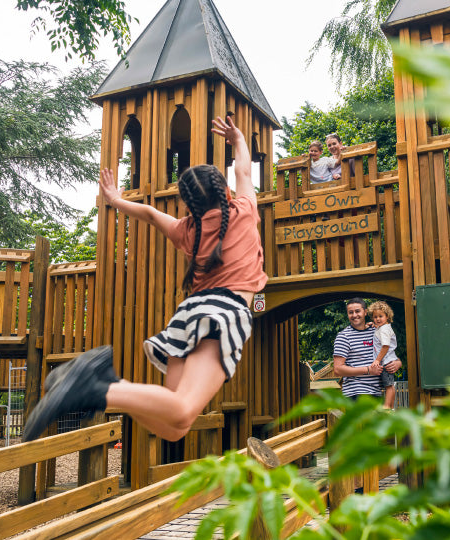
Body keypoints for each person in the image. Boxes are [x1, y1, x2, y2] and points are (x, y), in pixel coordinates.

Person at [23, 115, 267, 443]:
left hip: (191, 313)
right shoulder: (244, 211)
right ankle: (95, 389)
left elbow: (152, 214)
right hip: (225, 313)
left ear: (189, 204)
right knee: (181, 410)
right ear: (224, 191)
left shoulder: (188, 231)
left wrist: (115, 200)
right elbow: (244, 170)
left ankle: (110, 385)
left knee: (173, 427)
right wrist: (237, 139)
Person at [332, 298, 402, 401]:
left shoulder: (376, 331)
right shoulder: (343, 336)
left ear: (365, 312)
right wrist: (368, 370)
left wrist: (398, 363)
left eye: (357, 311)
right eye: (350, 312)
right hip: (356, 393)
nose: (354, 315)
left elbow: (388, 350)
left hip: (377, 392)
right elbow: (338, 369)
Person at [367, 300, 398, 409]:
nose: (378, 319)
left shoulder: (384, 330)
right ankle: (390, 407)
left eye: (381, 316)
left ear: (387, 316)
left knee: (388, 386)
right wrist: (374, 325)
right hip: (388, 360)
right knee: (390, 385)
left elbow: (385, 346)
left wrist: (377, 360)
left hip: (386, 361)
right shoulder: (383, 328)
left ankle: (386, 407)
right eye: (375, 317)